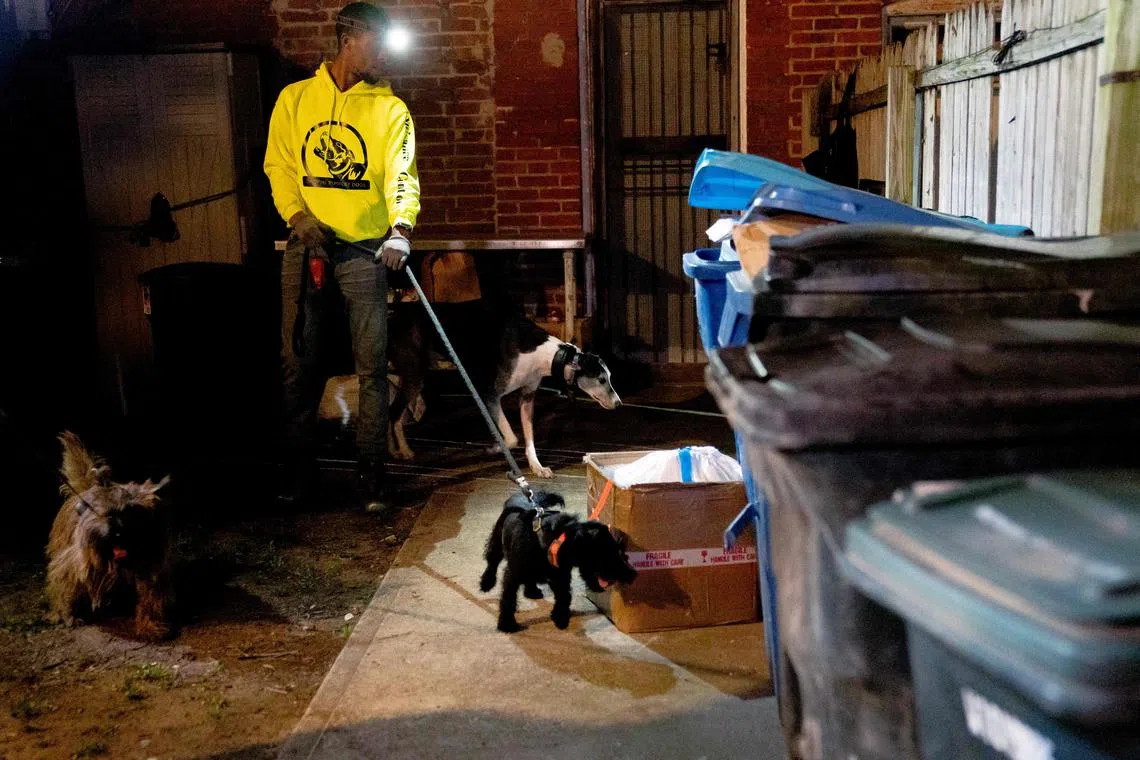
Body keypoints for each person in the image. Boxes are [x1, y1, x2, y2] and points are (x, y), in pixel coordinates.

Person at [264, 1, 420, 513]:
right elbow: (280, 165)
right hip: (308, 245)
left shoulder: (390, 110)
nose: (386, 55)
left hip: (364, 251)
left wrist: (400, 230)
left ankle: (371, 476)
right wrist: (296, 216)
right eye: (380, 41)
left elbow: (402, 175)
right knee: (297, 363)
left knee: (372, 366)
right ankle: (296, 473)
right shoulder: (295, 99)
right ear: (351, 37)